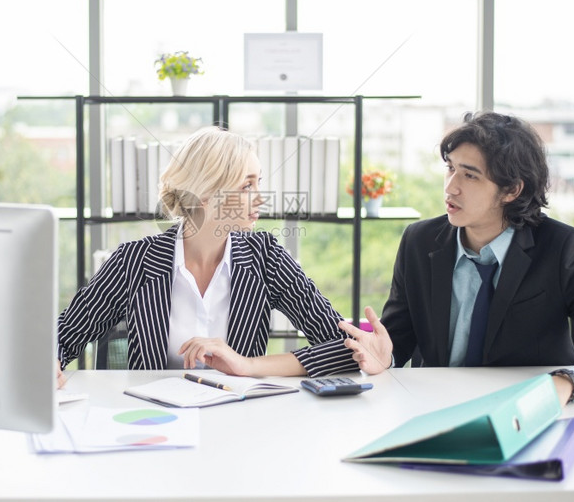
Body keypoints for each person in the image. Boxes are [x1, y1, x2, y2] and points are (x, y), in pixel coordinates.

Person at [339, 111, 574, 406]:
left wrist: (566, 384)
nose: (451, 187)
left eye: (470, 176)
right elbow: (397, 340)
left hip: (528, 415)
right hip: (434, 409)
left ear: (512, 190)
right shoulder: (419, 242)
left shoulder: (562, 248)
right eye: (451, 168)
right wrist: (384, 356)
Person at [56, 126, 357, 387]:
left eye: (259, 182)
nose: (261, 198)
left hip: (240, 424)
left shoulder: (266, 258)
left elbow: (346, 347)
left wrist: (248, 365)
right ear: (207, 194)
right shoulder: (134, 261)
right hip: (157, 426)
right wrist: (50, 365)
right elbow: (63, 337)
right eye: (247, 185)